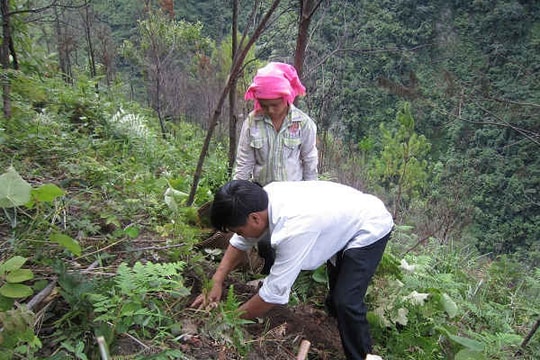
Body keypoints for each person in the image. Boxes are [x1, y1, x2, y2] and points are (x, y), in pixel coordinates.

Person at [191, 180, 393, 360]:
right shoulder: (260, 201)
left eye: (239, 230)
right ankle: (332, 325)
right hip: (341, 219)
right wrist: (216, 281)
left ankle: (363, 355)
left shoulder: (294, 229)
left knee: (346, 301)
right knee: (336, 293)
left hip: (369, 225)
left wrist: (228, 319)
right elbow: (240, 242)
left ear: (254, 219)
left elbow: (272, 294)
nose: (240, 235)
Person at [233, 62, 318, 186]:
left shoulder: (303, 123)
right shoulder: (252, 122)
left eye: (275, 105)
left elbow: (309, 161)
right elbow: (244, 163)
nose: (270, 110)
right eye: (264, 105)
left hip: (292, 192)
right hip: (262, 192)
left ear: (285, 98)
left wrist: (311, 191)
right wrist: (238, 193)